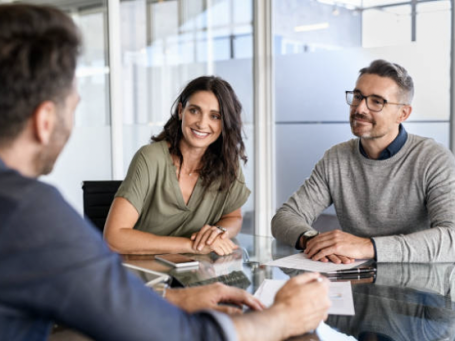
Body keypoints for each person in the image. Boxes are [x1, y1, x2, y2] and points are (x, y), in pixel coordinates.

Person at [0, 3, 331, 341]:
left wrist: (176, 295)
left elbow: (98, 299)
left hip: (165, 288)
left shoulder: (22, 214)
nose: (203, 122)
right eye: (74, 105)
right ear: (44, 122)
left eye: (215, 116)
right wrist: (282, 317)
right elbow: (177, 334)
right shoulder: (30, 215)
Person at [272, 59, 455, 264]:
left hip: (421, 289)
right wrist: (313, 240)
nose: (360, 109)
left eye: (377, 101)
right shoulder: (336, 158)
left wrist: (367, 246)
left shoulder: (433, 159)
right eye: (358, 96)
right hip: (353, 285)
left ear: (402, 114)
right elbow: (284, 217)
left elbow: (451, 238)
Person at [104, 76, 250, 256]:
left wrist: (219, 232)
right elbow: (113, 238)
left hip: (195, 274)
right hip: (141, 273)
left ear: (224, 122)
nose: (202, 123)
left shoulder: (228, 163)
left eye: (215, 116)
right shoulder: (150, 158)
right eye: (194, 111)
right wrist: (190, 246)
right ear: (181, 111)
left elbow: (233, 217)